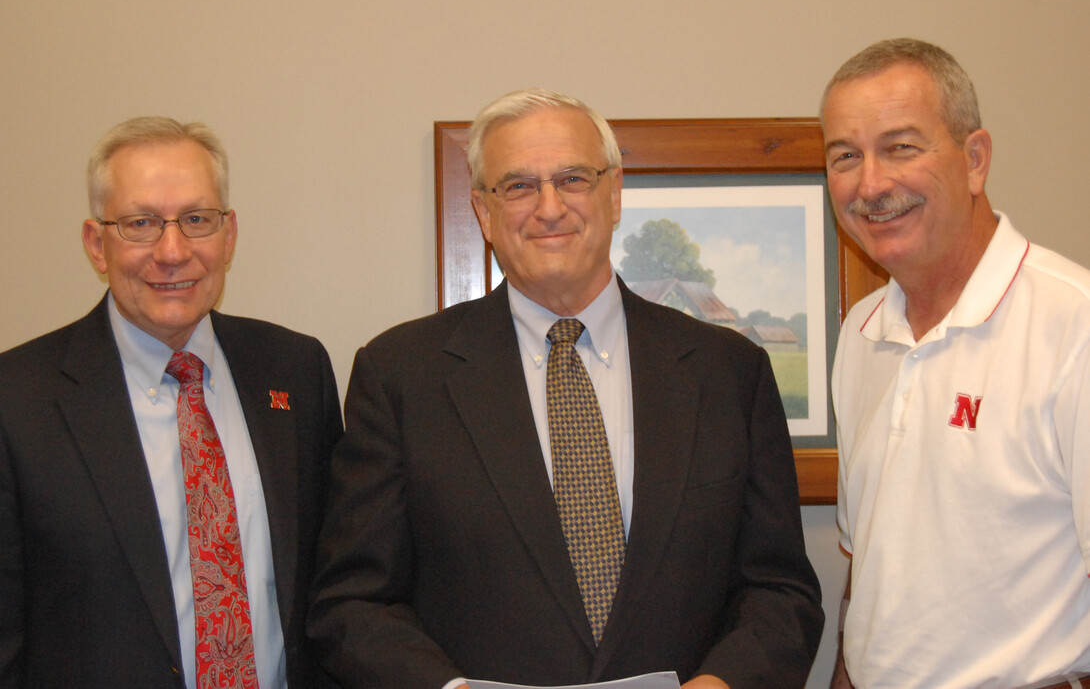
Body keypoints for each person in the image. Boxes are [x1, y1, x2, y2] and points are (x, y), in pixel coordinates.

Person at [308, 89, 823, 689]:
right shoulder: (399, 375)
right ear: (482, 209)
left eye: (572, 178)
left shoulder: (730, 372)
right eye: (519, 186)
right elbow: (350, 604)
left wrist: (722, 684)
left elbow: (780, 591)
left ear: (615, 192)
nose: (549, 208)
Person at [0, 117, 343, 688]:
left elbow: (331, 585)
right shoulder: (18, 400)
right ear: (96, 243)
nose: (172, 250)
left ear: (228, 235)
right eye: (140, 223)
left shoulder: (296, 370)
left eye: (196, 220)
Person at [822, 39, 1090, 689]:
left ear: (975, 160)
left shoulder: (1072, 324)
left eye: (901, 147)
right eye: (845, 156)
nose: (871, 183)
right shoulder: (860, 335)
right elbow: (870, 571)